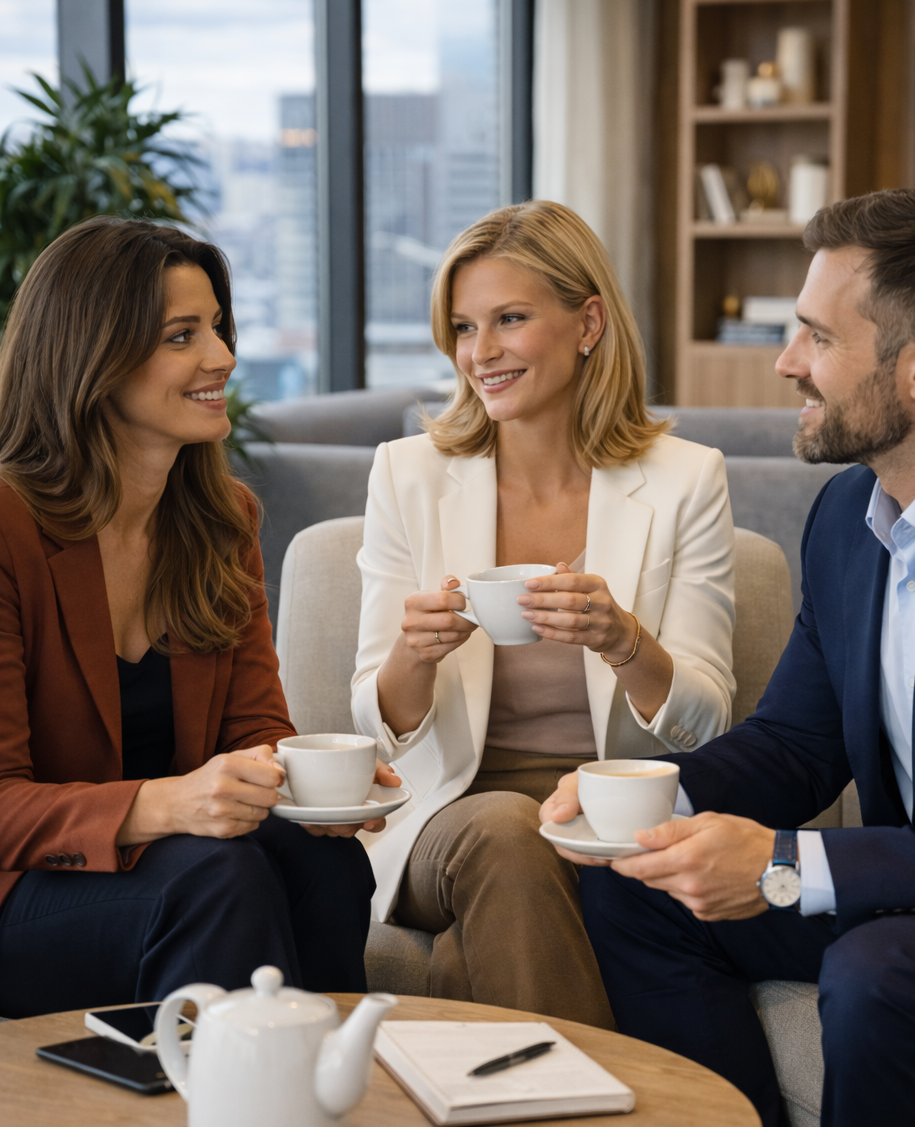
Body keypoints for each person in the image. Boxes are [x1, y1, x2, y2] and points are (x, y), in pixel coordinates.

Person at [541, 188, 915, 1127]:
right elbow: (798, 744)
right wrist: (645, 799)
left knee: (882, 971)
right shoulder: (848, 522)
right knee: (630, 886)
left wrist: (793, 867)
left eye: (814, 335)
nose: (784, 364)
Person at [352, 200, 735, 1025]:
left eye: (510, 319)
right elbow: (376, 726)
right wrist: (413, 656)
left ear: (588, 321)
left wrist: (624, 641)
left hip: (608, 815)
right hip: (449, 816)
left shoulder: (685, 480)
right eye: (462, 328)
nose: (479, 353)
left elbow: (708, 723)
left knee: (491, 924)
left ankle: (512, 1104)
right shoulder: (408, 474)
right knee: (508, 831)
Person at [0, 217, 392, 1016]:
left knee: (326, 865)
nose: (223, 358)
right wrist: (166, 805)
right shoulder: (8, 527)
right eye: (184, 336)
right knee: (219, 876)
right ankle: (218, 1123)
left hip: (167, 870)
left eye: (217, 328)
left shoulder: (220, 519)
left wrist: (317, 787)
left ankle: (323, 1097)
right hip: (23, 893)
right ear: (93, 362)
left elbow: (253, 733)